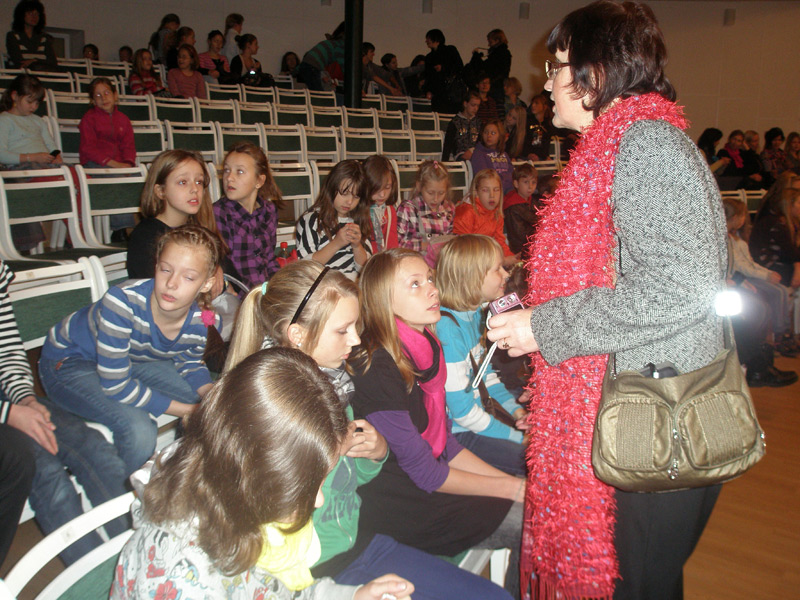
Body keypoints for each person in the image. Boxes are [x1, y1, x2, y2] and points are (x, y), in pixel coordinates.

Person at [485, 3, 728, 598]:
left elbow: (680, 287)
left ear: (594, 73)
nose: (545, 83)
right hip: (637, 405)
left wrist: (546, 326)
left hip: (655, 421)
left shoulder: (646, 148)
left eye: (555, 67)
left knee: (634, 585)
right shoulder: (621, 147)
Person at [225, 262, 511, 600]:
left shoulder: (335, 386)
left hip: (356, 539)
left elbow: (350, 481)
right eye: (342, 330)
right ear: (297, 334)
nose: (356, 339)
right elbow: (274, 532)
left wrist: (376, 452)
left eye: (355, 326)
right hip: (313, 568)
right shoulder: (272, 410)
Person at [111, 347, 415, 600]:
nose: (319, 501)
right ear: (259, 473)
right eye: (310, 484)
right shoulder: (181, 581)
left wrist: (351, 596)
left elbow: (279, 591)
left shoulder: (241, 503)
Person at [350, 248, 525, 598]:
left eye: (429, 279)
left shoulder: (425, 345)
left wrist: (514, 485)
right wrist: (513, 489)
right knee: (533, 521)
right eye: (415, 284)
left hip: (428, 483)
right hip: (403, 504)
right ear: (383, 298)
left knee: (533, 502)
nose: (432, 289)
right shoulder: (376, 368)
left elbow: (446, 444)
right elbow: (425, 473)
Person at [40, 225, 222, 476]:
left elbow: (189, 364)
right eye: (165, 269)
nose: (171, 283)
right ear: (156, 265)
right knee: (139, 432)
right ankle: (122, 492)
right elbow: (116, 384)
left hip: (129, 358)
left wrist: (214, 397)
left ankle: (183, 475)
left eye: (188, 277)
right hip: (69, 361)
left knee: (210, 404)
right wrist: (190, 412)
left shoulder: (203, 322)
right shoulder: (123, 302)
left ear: (206, 283)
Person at [0, 259, 130, 566]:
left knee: (96, 449)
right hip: (5, 414)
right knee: (47, 473)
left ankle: (135, 559)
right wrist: (8, 414)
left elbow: (6, 351)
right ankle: (94, 575)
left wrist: (25, 399)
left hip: (9, 401)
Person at [435, 235, 528, 476]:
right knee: (534, 461)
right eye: (497, 269)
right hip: (460, 433)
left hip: (480, 416)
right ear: (472, 276)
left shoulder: (474, 312)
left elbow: (485, 374)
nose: (506, 275)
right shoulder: (448, 328)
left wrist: (517, 412)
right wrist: (518, 438)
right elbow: (463, 414)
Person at [724, 197, 798, 359]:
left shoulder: (736, 240)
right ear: (735, 217)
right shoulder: (726, 240)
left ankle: (779, 335)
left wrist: (767, 273)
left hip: (740, 279)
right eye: (743, 216)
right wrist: (765, 275)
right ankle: (775, 338)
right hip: (737, 281)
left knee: (780, 291)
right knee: (768, 300)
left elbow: (749, 263)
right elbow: (740, 267)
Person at [0, 74, 61, 250]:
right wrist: (32, 157)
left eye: (37, 103)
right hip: (20, 167)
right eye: (29, 101)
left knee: (75, 175)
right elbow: (1, 154)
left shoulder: (38, 121)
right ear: (15, 96)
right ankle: (26, 243)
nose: (34, 107)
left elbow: (51, 146)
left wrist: (56, 157)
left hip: (43, 164)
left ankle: (77, 231)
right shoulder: (5, 120)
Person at [214, 142, 281, 290]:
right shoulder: (219, 213)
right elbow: (226, 269)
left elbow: (269, 259)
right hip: (237, 293)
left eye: (239, 171)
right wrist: (256, 295)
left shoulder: (269, 211)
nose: (229, 178)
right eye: (226, 170)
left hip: (263, 291)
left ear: (259, 181)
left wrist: (279, 287)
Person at [296, 160, 372, 280]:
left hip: (352, 284)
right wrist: (337, 243)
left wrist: (357, 246)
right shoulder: (312, 220)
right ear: (331, 188)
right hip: (323, 283)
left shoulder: (358, 220)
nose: (349, 201)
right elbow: (306, 267)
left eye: (356, 196)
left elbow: (365, 268)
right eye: (344, 193)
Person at [454, 169, 517, 267]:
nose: (492, 195)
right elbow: (463, 249)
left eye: (496, 190)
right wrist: (501, 261)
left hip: (485, 258)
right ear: (476, 192)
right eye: (485, 190)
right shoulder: (466, 213)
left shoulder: (496, 213)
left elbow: (499, 241)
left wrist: (512, 259)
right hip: (466, 261)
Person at [749, 172, 800, 289]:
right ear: (790, 204)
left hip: (782, 260)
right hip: (769, 264)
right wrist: (797, 265)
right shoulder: (776, 222)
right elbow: (789, 252)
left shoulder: (787, 221)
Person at [397, 160, 455, 252]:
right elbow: (396, 244)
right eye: (430, 193)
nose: (435, 199)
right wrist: (425, 246)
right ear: (419, 186)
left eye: (441, 193)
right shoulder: (408, 209)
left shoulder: (448, 209)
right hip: (413, 258)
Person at [78, 77, 135, 168]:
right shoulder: (89, 119)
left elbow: (129, 146)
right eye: (98, 95)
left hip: (120, 164)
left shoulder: (124, 119)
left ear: (115, 95)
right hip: (95, 163)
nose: (103, 98)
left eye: (107, 93)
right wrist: (115, 165)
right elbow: (88, 148)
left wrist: (128, 164)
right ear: (93, 101)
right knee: (116, 175)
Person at [5, 0, 57, 71]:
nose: (34, 17)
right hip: (21, 74)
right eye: (30, 13)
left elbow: (52, 62)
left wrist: (34, 61)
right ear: (22, 15)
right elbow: (18, 61)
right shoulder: (13, 36)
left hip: (41, 73)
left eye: (37, 14)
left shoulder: (44, 38)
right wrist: (38, 62)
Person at [468, 29, 511, 111]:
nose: (488, 44)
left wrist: (476, 56)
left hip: (494, 89)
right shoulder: (504, 53)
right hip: (498, 88)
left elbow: (484, 67)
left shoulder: (497, 54)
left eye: (490, 42)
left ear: (497, 40)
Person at [503, 163, 540, 256]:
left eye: (533, 182)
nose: (530, 186)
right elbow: (521, 235)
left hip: (535, 244)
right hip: (521, 251)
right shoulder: (512, 206)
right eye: (526, 182)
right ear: (516, 184)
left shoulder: (534, 201)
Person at [365, 155, 400, 253]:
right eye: (377, 189)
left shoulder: (390, 211)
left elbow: (393, 245)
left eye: (387, 187)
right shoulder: (359, 211)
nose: (382, 194)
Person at [423, 29, 464, 114]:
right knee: (440, 116)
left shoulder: (450, 50)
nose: (426, 41)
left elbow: (459, 66)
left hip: (451, 92)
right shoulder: (429, 57)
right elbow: (428, 76)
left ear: (436, 39)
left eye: (428, 38)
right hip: (438, 94)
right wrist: (428, 90)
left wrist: (443, 68)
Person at [298, 23, 346, 92]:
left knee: (317, 92)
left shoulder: (332, 42)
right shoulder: (340, 45)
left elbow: (307, 59)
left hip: (308, 67)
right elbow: (344, 67)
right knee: (318, 94)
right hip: (313, 68)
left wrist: (294, 71)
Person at [470, 118, 513, 194]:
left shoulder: (504, 154)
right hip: (490, 193)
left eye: (493, 133)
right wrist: (504, 179)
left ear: (500, 135)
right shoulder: (478, 154)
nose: (489, 136)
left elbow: (512, 175)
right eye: (486, 132)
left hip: (508, 191)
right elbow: (484, 178)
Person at [442, 89, 481, 161]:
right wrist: (444, 162)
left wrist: (473, 150)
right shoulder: (455, 122)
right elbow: (448, 145)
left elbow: (481, 142)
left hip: (476, 153)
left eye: (477, 106)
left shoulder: (478, 122)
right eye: (473, 105)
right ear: (465, 104)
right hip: (461, 155)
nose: (475, 108)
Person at [524, 94, 555, 161]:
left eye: (536, 103)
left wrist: (545, 156)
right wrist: (528, 154)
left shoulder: (548, 124)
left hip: (541, 156)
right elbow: (525, 141)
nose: (533, 105)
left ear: (544, 106)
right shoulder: (527, 122)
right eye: (532, 103)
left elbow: (546, 144)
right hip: (527, 155)